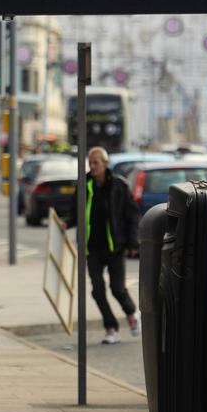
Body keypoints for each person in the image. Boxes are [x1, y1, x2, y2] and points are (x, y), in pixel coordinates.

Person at [62, 146, 141, 345]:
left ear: (106, 164)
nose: (93, 166)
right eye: (91, 163)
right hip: (92, 247)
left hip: (115, 246)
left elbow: (131, 215)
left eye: (96, 162)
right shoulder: (84, 184)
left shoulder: (119, 186)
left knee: (117, 289)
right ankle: (111, 327)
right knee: (97, 290)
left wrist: (133, 242)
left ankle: (132, 313)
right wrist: (66, 223)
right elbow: (76, 212)